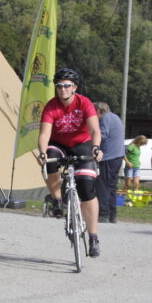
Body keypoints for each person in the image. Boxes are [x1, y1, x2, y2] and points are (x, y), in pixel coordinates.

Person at [37, 68, 102, 258]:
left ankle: (93, 237)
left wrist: (96, 148)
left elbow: (95, 130)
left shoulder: (84, 103)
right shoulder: (51, 106)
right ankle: (57, 200)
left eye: (67, 85)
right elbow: (44, 135)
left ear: (74, 87)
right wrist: (41, 152)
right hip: (59, 145)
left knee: (87, 190)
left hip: (82, 145)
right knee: (49, 157)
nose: (63, 89)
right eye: (59, 86)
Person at [94, 102, 125, 223]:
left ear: (97, 111)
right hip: (117, 156)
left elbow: (102, 135)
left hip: (108, 157)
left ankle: (103, 214)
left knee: (102, 186)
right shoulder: (115, 117)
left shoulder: (105, 118)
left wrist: (92, 143)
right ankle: (112, 215)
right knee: (112, 187)